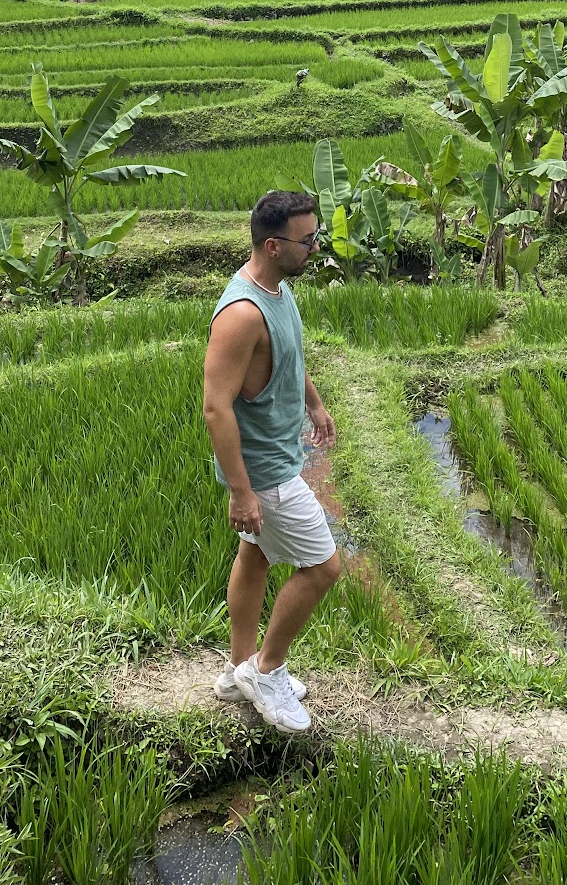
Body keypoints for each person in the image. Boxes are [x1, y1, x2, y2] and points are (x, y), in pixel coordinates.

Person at [202, 191, 341, 734]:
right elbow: (216, 408)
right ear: (274, 244)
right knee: (323, 568)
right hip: (265, 471)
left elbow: (289, 354)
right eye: (308, 240)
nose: (315, 247)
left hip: (280, 454)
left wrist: (314, 402)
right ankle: (268, 669)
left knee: (255, 556)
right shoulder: (241, 313)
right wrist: (242, 491)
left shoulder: (278, 288)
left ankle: (240, 669)